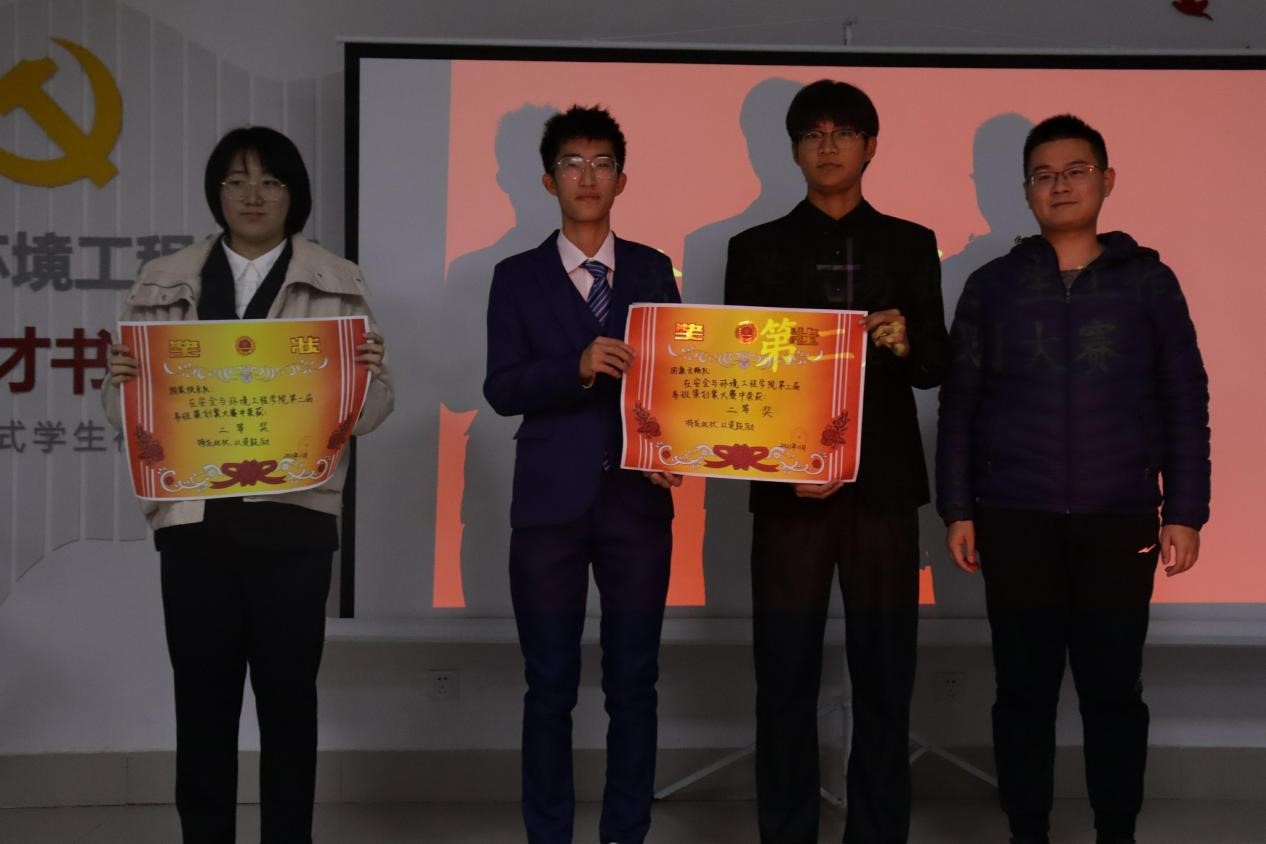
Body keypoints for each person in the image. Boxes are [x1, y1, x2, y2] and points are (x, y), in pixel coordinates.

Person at [103, 126, 394, 843]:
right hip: (194, 525)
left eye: (270, 181)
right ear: (218, 194)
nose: (252, 195)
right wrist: (122, 386)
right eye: (236, 181)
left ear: (294, 194)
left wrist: (366, 378)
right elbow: (130, 412)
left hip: (295, 523)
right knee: (202, 707)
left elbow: (370, 413)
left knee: (289, 704)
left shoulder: (337, 280)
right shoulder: (163, 279)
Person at [936, 114, 1210, 844]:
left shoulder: (1149, 282)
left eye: (1075, 171)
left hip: (1119, 517)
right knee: (1022, 692)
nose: (1060, 185)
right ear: (1026, 190)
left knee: (1113, 693)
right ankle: (1027, 830)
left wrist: (1185, 510)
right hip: (1013, 515)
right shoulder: (993, 286)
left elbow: (1185, 398)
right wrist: (958, 507)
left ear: (1106, 180)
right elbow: (961, 404)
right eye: (1044, 175)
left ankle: (1116, 831)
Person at [724, 79, 949, 844]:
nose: (828, 147)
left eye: (844, 133)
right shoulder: (754, 249)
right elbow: (738, 377)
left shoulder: (910, 243)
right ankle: (786, 831)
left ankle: (878, 832)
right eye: (813, 134)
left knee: (886, 675)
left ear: (870, 146)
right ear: (792, 149)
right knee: (783, 674)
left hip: (882, 491)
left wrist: (907, 342)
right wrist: (787, 459)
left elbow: (935, 367)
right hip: (790, 495)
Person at [483, 106, 681, 844]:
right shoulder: (516, 277)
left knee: (635, 684)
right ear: (549, 180)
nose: (588, 176)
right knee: (549, 687)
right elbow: (502, 387)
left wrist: (675, 447)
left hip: (636, 502)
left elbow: (677, 380)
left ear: (622, 180)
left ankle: (626, 832)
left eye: (602, 164)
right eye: (573, 163)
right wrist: (575, 366)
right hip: (548, 508)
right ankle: (549, 834)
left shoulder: (654, 269)